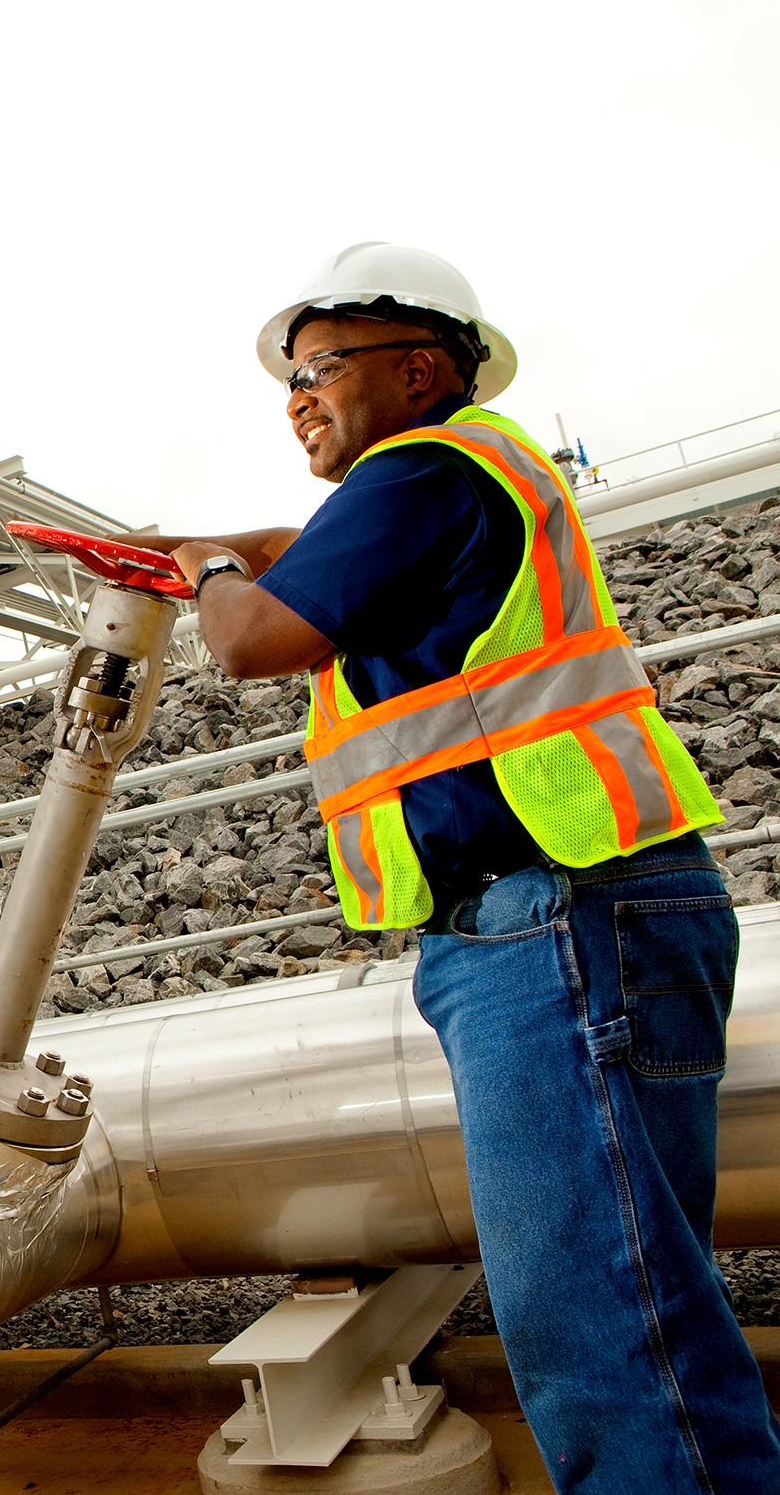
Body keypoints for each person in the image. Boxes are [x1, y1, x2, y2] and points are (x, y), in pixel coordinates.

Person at [130, 243, 780, 1493]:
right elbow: (298, 550)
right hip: (594, 912)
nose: (297, 396)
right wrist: (210, 544)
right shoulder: (455, 478)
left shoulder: (419, 466)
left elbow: (258, 636)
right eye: (289, 379)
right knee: (643, 1300)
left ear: (419, 366)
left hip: (552, 924)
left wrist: (210, 574)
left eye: (321, 366)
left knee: (602, 1332)